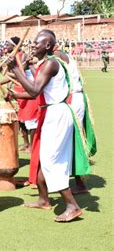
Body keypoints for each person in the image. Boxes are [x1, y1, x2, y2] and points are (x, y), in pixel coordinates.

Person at [6, 30, 84, 222]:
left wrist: (17, 70)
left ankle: (72, 205)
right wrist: (15, 93)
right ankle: (43, 200)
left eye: (37, 43)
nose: (33, 46)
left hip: (56, 114)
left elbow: (34, 91)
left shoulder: (51, 63)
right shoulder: (45, 64)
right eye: (33, 43)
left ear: (48, 46)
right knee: (42, 157)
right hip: (53, 112)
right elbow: (36, 89)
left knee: (50, 160)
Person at [54, 47, 97, 195]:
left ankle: (78, 181)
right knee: (72, 139)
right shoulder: (63, 54)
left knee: (72, 140)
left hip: (72, 99)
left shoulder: (56, 55)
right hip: (76, 97)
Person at [0, 36, 38, 152]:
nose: (6, 46)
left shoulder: (24, 56)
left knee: (30, 118)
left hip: (27, 89)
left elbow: (19, 74)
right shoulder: (12, 57)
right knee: (21, 118)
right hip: (18, 88)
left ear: (15, 46)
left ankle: (32, 145)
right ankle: (26, 144)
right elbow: (13, 76)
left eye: (8, 44)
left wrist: (2, 72)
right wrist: (0, 83)